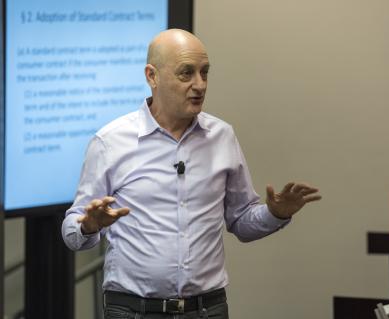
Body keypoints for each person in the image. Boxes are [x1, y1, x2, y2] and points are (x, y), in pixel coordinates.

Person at [62, 29, 321, 319]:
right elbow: (72, 231)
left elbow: (241, 221)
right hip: (133, 310)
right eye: (186, 73)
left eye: (204, 72)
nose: (200, 85)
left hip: (207, 309)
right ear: (152, 76)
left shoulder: (222, 136)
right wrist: (89, 225)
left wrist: (276, 214)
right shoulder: (110, 141)